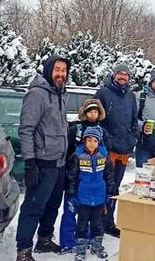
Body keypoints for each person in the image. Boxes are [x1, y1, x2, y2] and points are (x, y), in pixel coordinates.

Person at [16, 55, 70, 261]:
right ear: (49, 70)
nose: (61, 74)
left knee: (53, 204)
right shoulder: (37, 94)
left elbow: (56, 126)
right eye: (57, 69)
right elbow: (26, 129)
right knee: (34, 205)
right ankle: (23, 250)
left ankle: (44, 239)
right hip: (42, 163)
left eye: (64, 70)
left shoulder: (59, 93)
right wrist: (30, 163)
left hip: (59, 163)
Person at [94, 64, 139, 238]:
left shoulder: (130, 96)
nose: (123, 77)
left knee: (115, 188)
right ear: (113, 75)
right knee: (103, 186)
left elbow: (135, 119)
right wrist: (107, 141)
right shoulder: (103, 93)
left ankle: (109, 223)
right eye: (120, 74)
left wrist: (133, 138)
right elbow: (95, 119)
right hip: (107, 150)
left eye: (126, 74)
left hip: (124, 150)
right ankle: (96, 223)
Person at [59, 99, 109, 253]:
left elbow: (106, 155)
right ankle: (67, 241)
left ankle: (86, 238)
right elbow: (66, 150)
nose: (92, 114)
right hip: (76, 177)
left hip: (94, 181)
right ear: (84, 112)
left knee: (90, 212)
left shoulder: (103, 131)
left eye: (96, 111)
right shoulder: (76, 129)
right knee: (71, 210)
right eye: (90, 111)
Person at [66, 127, 117, 261]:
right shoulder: (78, 156)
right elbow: (72, 176)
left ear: (99, 142)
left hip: (99, 197)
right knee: (81, 224)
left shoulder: (104, 155)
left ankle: (97, 246)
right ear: (84, 141)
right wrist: (72, 195)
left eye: (95, 141)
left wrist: (109, 192)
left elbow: (109, 175)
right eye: (89, 140)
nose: (92, 143)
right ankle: (81, 248)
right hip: (83, 197)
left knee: (97, 224)